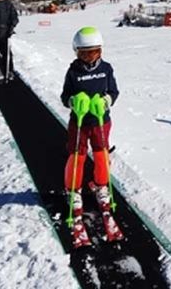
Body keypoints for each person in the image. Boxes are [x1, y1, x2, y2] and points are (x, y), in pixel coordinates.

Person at [60, 27, 119, 221]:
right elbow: (65, 95)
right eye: (84, 54)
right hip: (79, 122)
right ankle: (73, 189)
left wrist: (106, 101)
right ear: (76, 52)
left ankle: (101, 185)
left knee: (101, 154)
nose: (90, 58)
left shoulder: (106, 69)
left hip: (101, 121)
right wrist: (72, 101)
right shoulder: (73, 71)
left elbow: (114, 91)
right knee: (77, 155)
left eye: (94, 52)